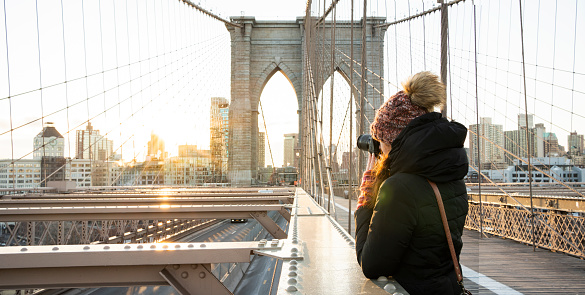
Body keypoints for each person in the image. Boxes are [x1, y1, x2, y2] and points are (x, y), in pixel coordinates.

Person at [354, 71, 469, 295]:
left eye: (382, 141)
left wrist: (368, 194)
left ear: (395, 141)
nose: (381, 149)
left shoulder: (399, 189)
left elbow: (371, 264)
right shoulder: (452, 177)